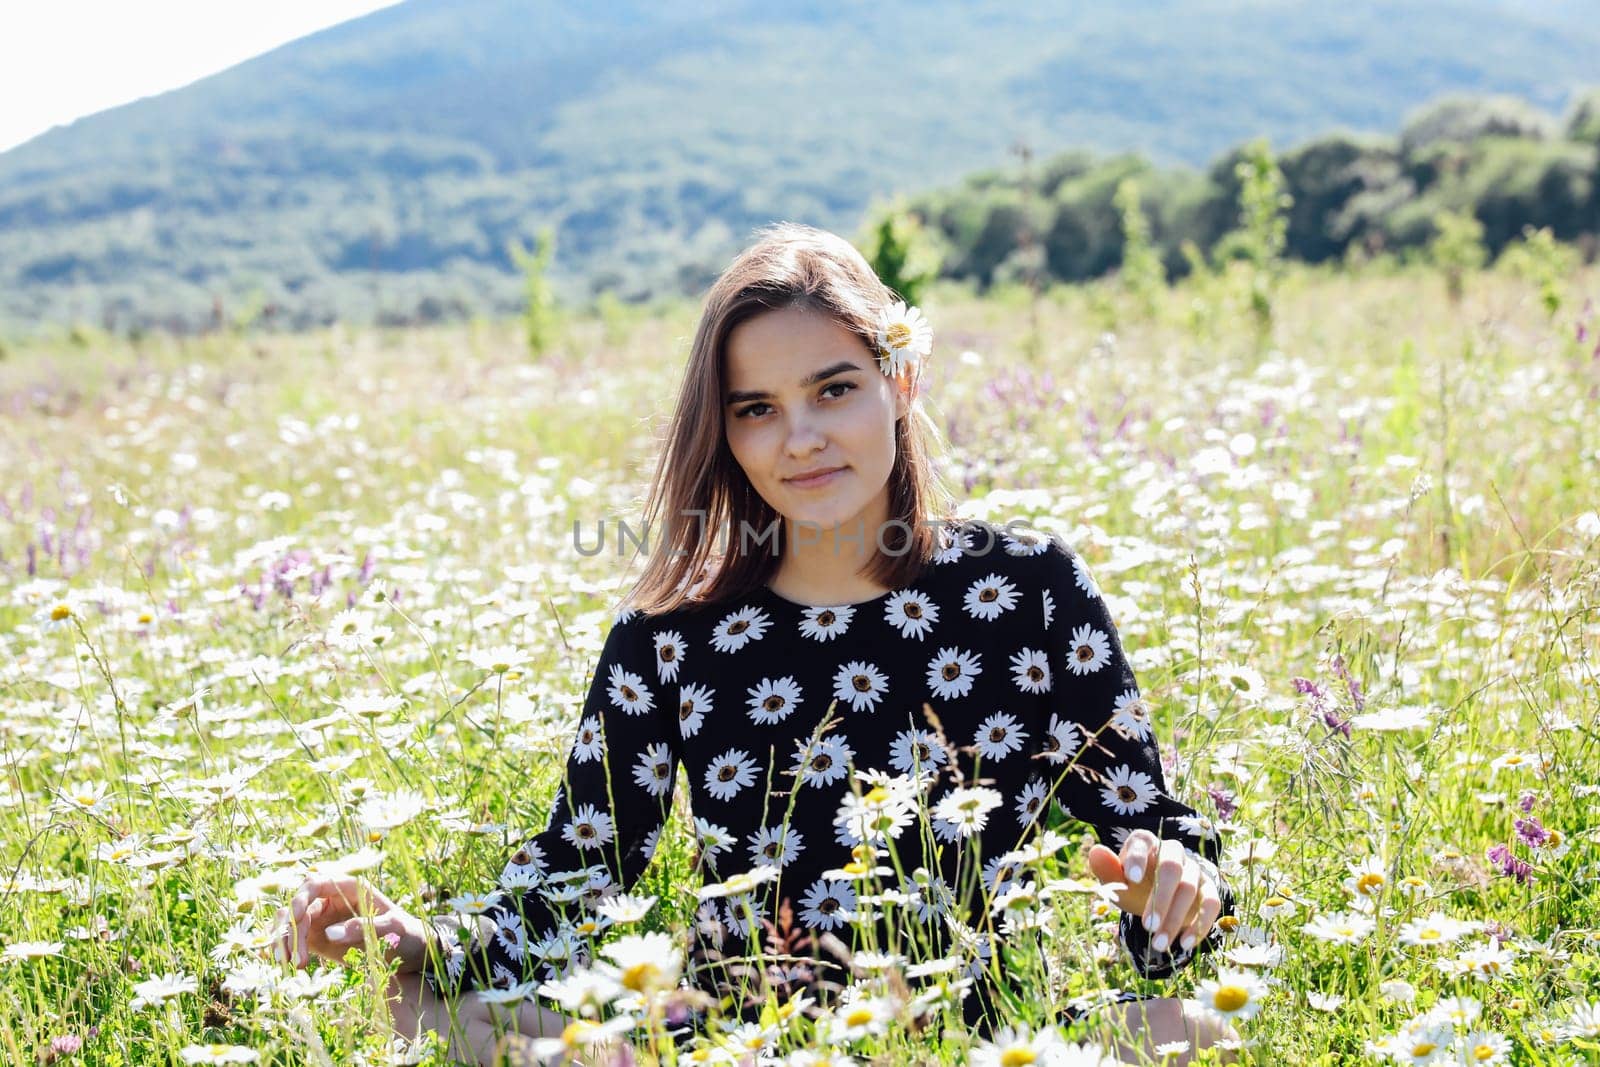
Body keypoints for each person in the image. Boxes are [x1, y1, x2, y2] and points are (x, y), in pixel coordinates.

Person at [274, 222, 1239, 1065]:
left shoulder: (1027, 592)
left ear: (901, 381)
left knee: (1199, 1026)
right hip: (748, 1033)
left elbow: (1148, 824)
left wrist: (1170, 885)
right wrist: (420, 940)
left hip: (987, 1030)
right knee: (422, 1002)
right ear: (725, 432)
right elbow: (581, 866)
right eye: (758, 409)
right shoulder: (668, 639)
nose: (802, 438)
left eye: (834, 389)